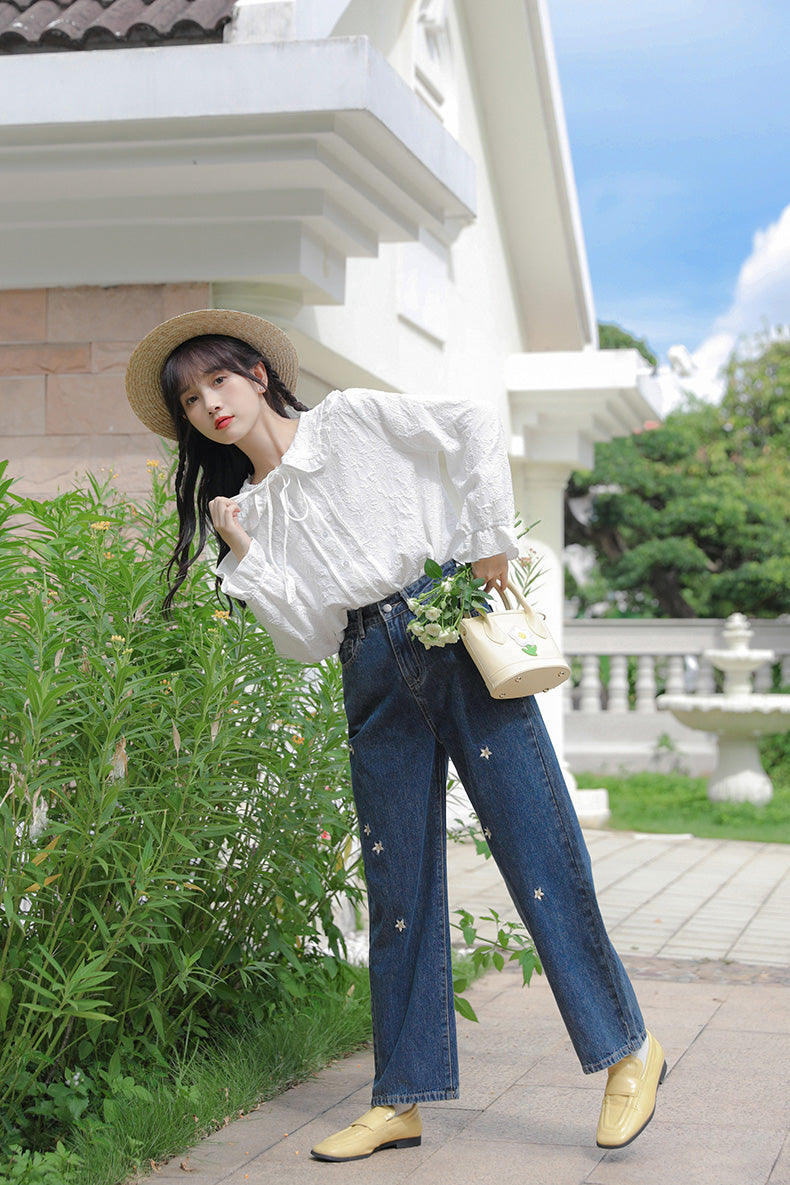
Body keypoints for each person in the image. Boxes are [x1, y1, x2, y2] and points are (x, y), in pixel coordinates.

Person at [125, 309, 666, 1161]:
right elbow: (305, 639)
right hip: (366, 664)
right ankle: (401, 1096)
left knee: (535, 841)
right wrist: (246, 554)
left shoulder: (348, 421)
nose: (209, 404)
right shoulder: (252, 513)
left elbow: (472, 425)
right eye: (190, 399)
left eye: (219, 380)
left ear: (259, 374)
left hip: (447, 627)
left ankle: (627, 1046)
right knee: (397, 880)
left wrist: (489, 538)